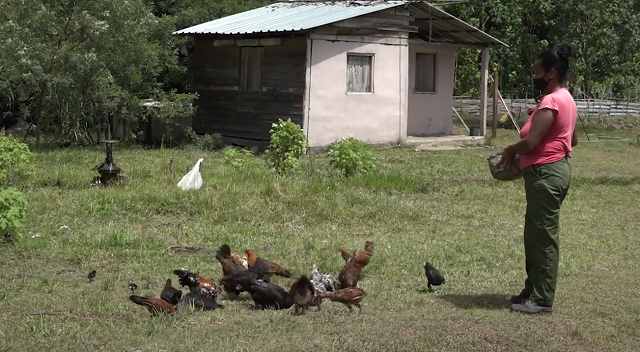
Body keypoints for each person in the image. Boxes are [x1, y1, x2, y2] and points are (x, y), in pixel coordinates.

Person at [498, 44, 578, 315]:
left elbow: (531, 142)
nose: (533, 76)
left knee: (542, 237)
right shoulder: (567, 98)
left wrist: (510, 149)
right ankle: (532, 290)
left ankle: (542, 299)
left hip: (546, 174)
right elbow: (573, 138)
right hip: (554, 171)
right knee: (535, 234)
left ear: (551, 73)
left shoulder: (551, 101)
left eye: (537, 72)